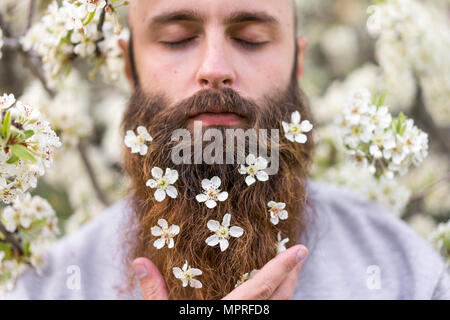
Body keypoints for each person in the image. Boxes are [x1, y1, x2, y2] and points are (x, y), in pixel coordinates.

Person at [3, 0, 449, 300]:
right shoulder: (50, 287)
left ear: (298, 62)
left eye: (251, 38)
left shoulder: (407, 277)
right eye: (177, 37)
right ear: (128, 65)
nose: (214, 69)